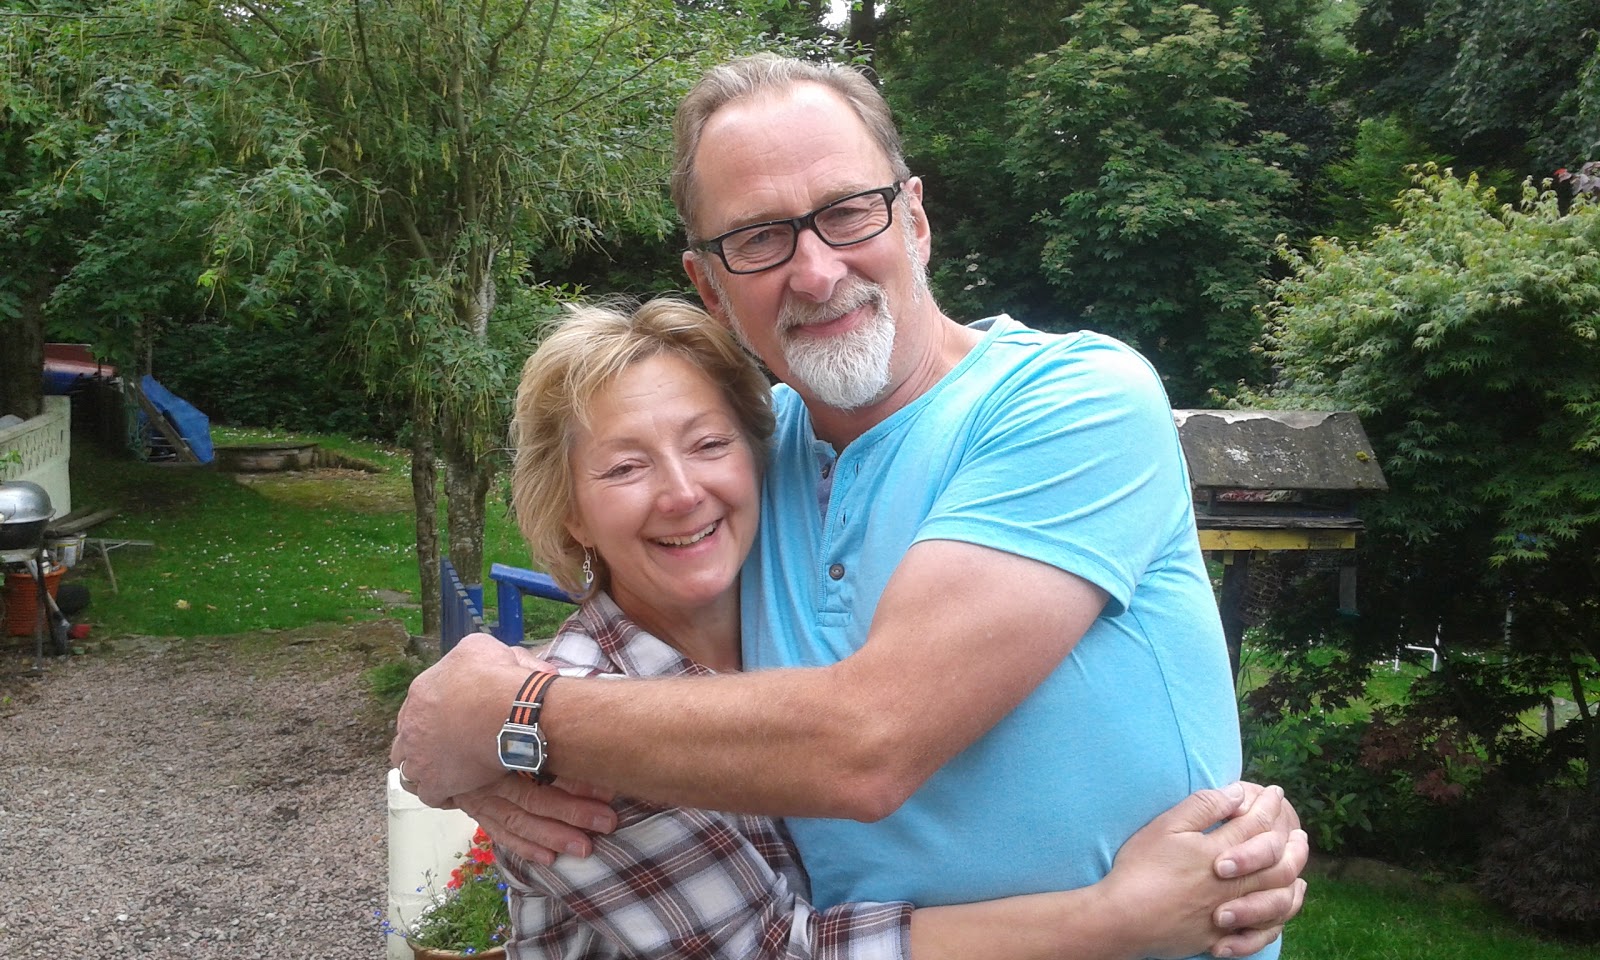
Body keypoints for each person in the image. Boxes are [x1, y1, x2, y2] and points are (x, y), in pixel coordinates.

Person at [393, 53, 1305, 958]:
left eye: (847, 211)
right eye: (759, 237)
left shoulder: (1072, 401)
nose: (817, 271)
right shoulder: (751, 454)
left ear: (915, 218)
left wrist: (510, 718)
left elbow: (869, 741)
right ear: (710, 286)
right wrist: (481, 742)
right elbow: (633, 639)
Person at [492, 296, 1303, 959]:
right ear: (570, 513)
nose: (681, 493)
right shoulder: (579, 728)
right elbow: (772, 951)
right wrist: (1120, 918)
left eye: (708, 444)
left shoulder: (784, 563)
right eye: (624, 467)